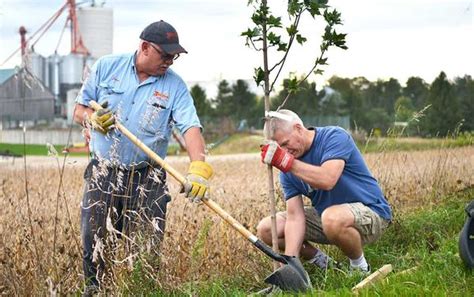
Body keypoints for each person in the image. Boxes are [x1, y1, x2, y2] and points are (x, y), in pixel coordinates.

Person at [73, 20, 212, 294]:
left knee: (148, 247)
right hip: (104, 172)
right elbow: (78, 110)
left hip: (148, 176)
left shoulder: (175, 87)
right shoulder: (106, 67)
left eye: (175, 56)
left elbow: (190, 128)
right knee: (94, 241)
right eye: (166, 55)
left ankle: (143, 291)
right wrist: (93, 120)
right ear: (145, 47)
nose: (170, 61)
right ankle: (95, 291)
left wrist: (199, 167)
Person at [257, 110, 391, 274]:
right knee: (267, 228)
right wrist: (290, 265)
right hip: (329, 220)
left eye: (285, 144)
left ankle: (359, 268)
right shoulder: (287, 168)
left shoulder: (334, 137)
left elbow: (327, 179)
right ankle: (324, 263)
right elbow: (294, 217)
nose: (283, 152)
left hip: (371, 214)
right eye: (279, 148)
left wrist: (287, 163)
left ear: (299, 128)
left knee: (331, 217)